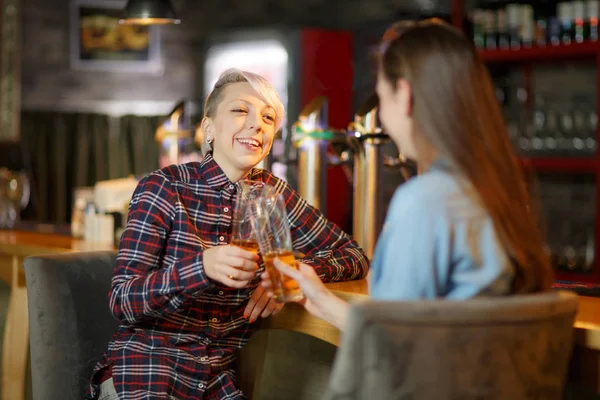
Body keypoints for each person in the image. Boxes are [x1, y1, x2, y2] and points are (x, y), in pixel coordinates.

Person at [87, 68, 369, 400]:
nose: (256, 124)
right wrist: (201, 268)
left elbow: (354, 256)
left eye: (267, 117)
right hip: (146, 368)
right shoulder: (164, 186)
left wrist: (284, 275)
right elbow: (123, 301)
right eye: (240, 110)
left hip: (215, 380)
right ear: (208, 129)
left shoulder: (273, 194)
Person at [261, 19, 554, 331]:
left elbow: (391, 350)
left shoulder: (423, 200)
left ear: (404, 94)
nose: (384, 120)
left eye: (382, 98)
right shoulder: (498, 189)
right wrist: (323, 302)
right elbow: (410, 337)